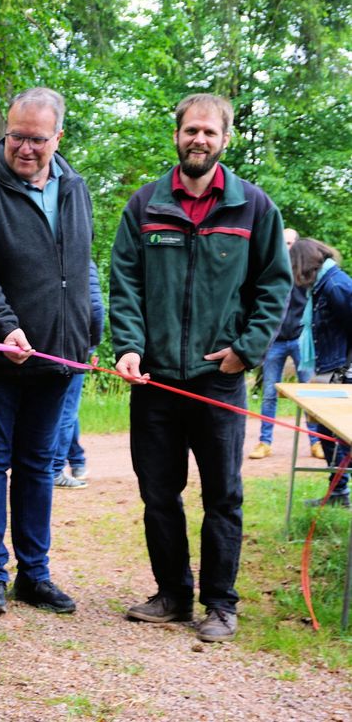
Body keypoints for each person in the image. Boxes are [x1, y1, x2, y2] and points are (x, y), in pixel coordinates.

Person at [109, 93, 291, 643]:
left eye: (210, 133)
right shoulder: (144, 207)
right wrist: (130, 346)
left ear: (224, 139)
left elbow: (274, 287)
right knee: (158, 493)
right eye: (191, 130)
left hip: (220, 380)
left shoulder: (253, 208)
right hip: (156, 380)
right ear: (177, 136)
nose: (199, 140)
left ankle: (220, 603)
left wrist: (247, 350)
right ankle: (171, 595)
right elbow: (125, 286)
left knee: (223, 496)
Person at [0, 87, 94, 616]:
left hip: (56, 356)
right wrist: (7, 326)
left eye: (35, 138)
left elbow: (81, 268)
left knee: (39, 464)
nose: (23, 147)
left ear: (58, 137)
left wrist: (88, 329)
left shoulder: (75, 186)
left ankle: (35, 574)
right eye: (15, 136)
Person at [248, 228, 323, 461]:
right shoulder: (269, 270)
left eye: (290, 242)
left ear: (297, 244)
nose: (286, 246)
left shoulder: (306, 272)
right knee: (270, 393)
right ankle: (264, 442)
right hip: (275, 342)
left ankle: (316, 441)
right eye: (283, 242)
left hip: (301, 341)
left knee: (309, 394)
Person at [289, 238, 352, 507]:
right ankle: (338, 492)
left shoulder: (336, 285)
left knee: (341, 434)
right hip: (327, 366)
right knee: (325, 429)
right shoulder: (323, 285)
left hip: (340, 370)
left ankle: (339, 491)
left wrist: (346, 370)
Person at [52, 260, 104, 488]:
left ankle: (77, 460)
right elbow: (95, 307)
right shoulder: (83, 261)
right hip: (74, 346)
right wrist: (92, 345)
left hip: (49, 345)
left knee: (65, 408)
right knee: (66, 411)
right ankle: (55, 469)